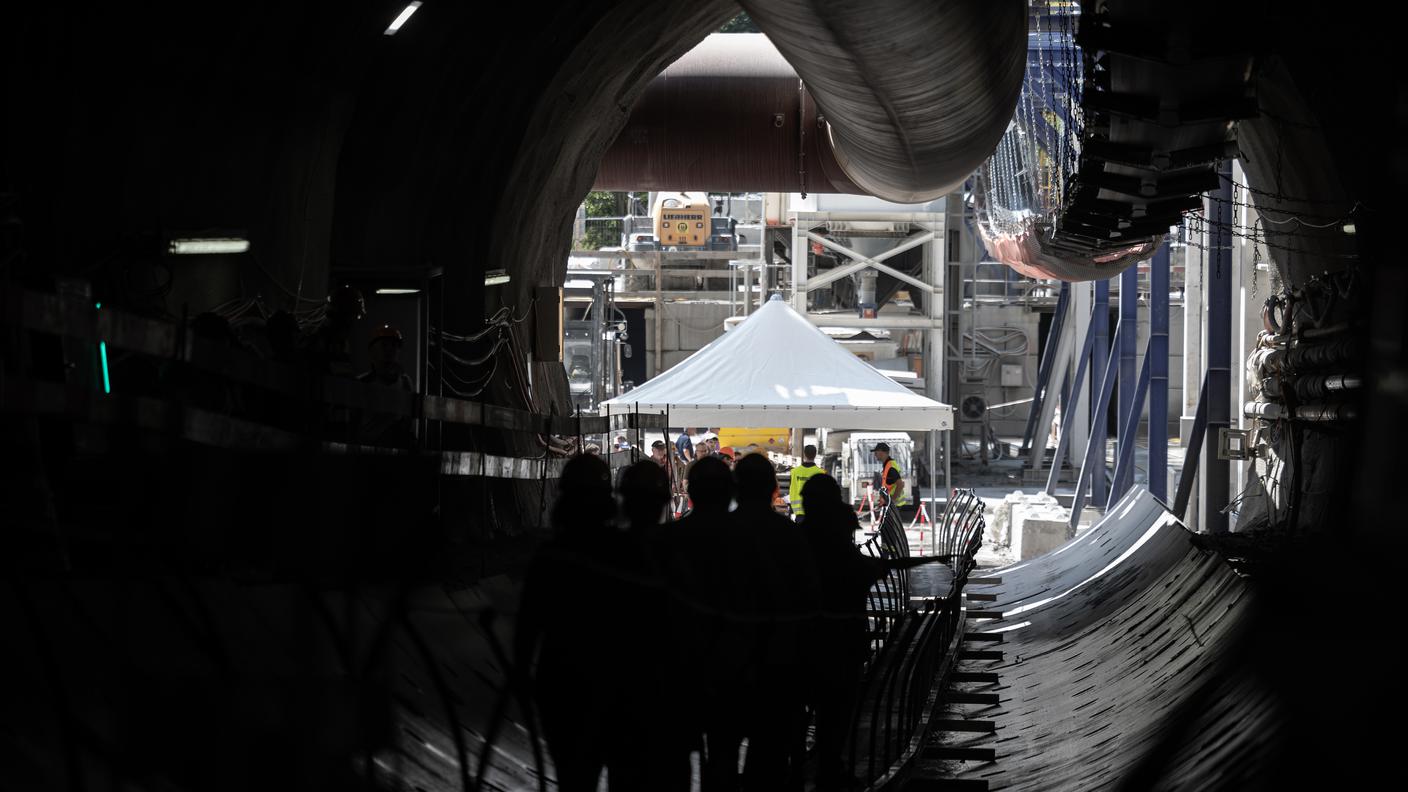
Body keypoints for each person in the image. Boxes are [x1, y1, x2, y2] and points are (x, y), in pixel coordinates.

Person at [515, 454, 629, 792]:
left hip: (561, 681)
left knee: (574, 777)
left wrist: (522, 676)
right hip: (614, 680)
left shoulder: (550, 556)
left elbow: (527, 625)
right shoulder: (624, 552)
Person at [733, 454, 819, 791]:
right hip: (781, 659)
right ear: (772, 489)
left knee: (724, 752)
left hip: (729, 663)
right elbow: (809, 598)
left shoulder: (724, 534)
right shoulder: (789, 535)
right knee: (776, 746)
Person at [356, 324, 416, 446]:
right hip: (369, 448)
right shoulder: (361, 383)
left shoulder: (405, 382)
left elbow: (408, 420)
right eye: (384, 345)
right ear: (372, 352)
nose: (389, 350)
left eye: (394, 345)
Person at [787, 444, 824, 520]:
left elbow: (792, 490)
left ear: (804, 454)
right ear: (815, 455)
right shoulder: (821, 473)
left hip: (799, 513)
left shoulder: (794, 472)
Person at [871, 442, 908, 507]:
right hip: (892, 505)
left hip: (895, 506)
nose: (875, 455)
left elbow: (900, 484)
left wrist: (892, 500)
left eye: (876, 452)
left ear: (881, 453)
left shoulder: (890, 467)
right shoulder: (887, 465)